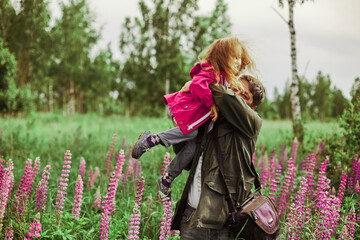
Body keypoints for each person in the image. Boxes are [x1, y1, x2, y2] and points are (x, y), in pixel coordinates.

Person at [131, 36, 256, 199]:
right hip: (182, 107)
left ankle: (167, 179)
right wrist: (211, 103)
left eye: (240, 58)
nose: (238, 62)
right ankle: (151, 140)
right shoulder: (213, 72)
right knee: (192, 134)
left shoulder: (226, 80)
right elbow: (197, 84)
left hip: (191, 115)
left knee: (192, 149)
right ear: (222, 57)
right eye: (235, 57)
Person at [171, 75, 266, 240]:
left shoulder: (251, 123)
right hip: (191, 217)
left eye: (244, 95)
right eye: (234, 88)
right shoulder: (209, 120)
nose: (235, 95)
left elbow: (225, 97)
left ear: (253, 107)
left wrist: (200, 84)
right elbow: (187, 159)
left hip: (222, 224)